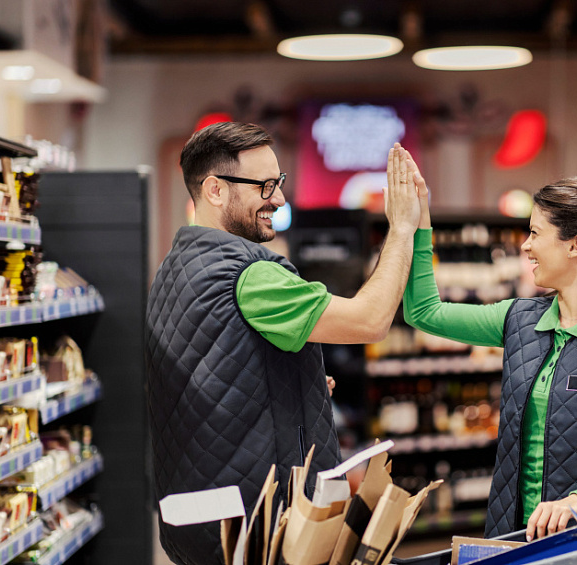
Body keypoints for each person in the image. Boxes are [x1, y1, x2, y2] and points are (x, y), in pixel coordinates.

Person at [145, 122, 420, 565]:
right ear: (215, 190)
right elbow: (370, 321)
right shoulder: (250, 273)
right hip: (259, 525)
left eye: (280, 183)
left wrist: (298, 384)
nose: (279, 199)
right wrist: (402, 229)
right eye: (266, 186)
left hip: (200, 519)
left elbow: (214, 374)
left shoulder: (175, 267)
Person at [402, 169, 577, 542]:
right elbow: (423, 313)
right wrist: (418, 223)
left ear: (575, 246)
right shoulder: (518, 320)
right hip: (510, 535)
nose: (525, 246)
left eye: (535, 233)